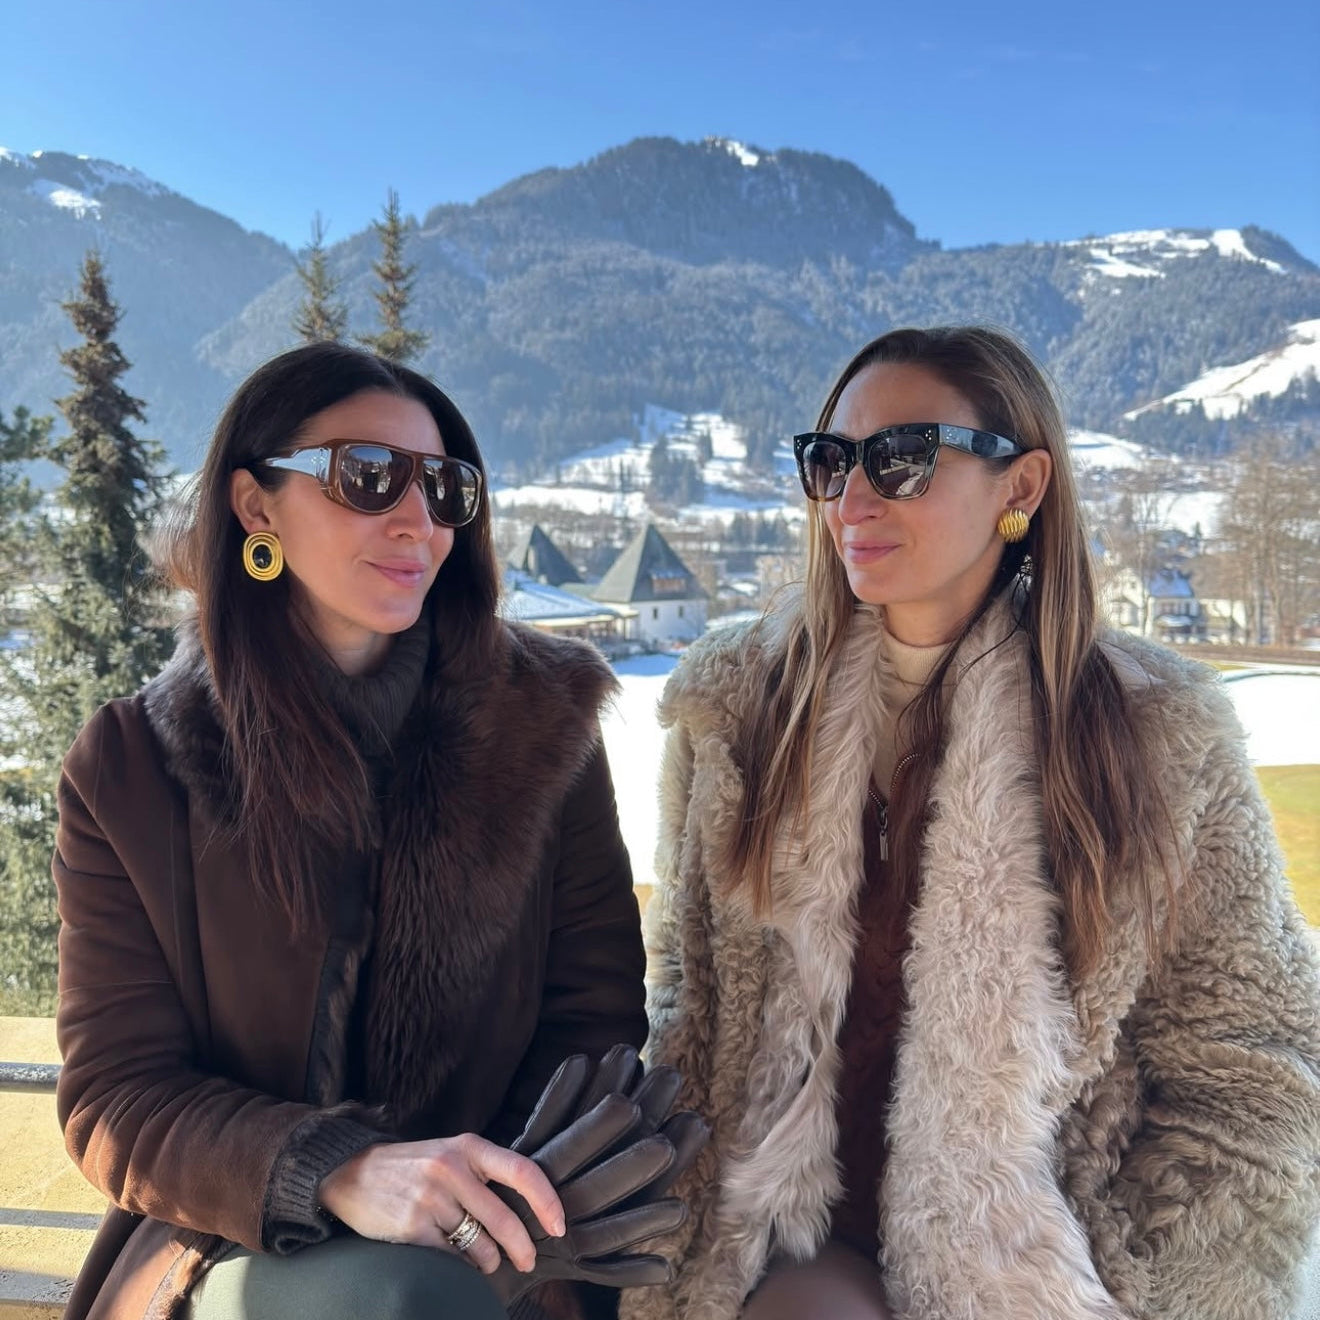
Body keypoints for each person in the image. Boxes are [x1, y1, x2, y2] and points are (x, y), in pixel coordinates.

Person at [619, 326, 1320, 1320]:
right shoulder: (739, 710)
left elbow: (1257, 1072)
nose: (852, 501)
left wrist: (1144, 1283)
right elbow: (688, 1002)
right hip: (795, 1242)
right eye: (831, 461)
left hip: (1038, 1260)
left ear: (1021, 487)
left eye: (901, 459)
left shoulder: (1155, 737)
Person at [53, 343, 671, 1320]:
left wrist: (482, 1211)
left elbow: (590, 1028)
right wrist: (334, 1170)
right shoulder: (133, 768)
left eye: (446, 489)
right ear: (256, 507)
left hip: (508, 1238)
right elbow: (116, 1095)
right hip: (232, 1237)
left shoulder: (544, 728)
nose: (418, 520)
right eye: (369, 477)